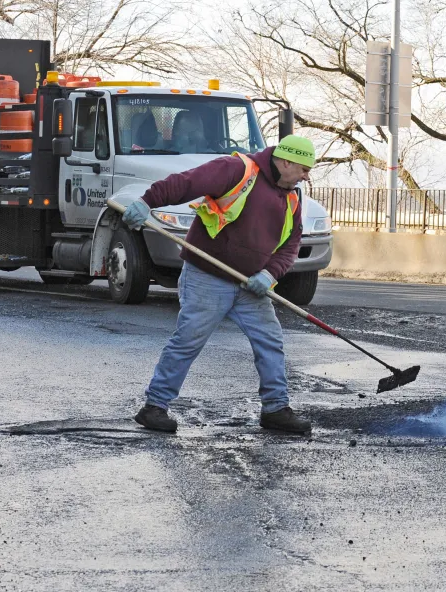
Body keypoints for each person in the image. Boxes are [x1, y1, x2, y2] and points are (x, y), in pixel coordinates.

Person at [121, 135, 316, 435]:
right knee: (188, 340)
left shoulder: (291, 198)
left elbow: (290, 245)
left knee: (270, 342)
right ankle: (154, 407)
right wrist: (147, 202)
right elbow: (186, 182)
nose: (306, 176)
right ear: (286, 160)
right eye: (304, 168)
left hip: (251, 285)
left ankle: (276, 409)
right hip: (207, 276)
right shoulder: (238, 170)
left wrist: (270, 275)